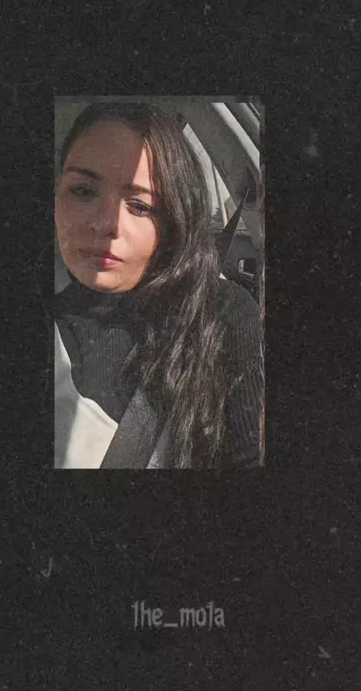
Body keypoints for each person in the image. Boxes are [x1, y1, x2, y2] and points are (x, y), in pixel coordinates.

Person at [54, 101, 264, 469]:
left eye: (139, 206)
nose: (106, 223)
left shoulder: (222, 315)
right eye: (83, 191)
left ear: (173, 222)